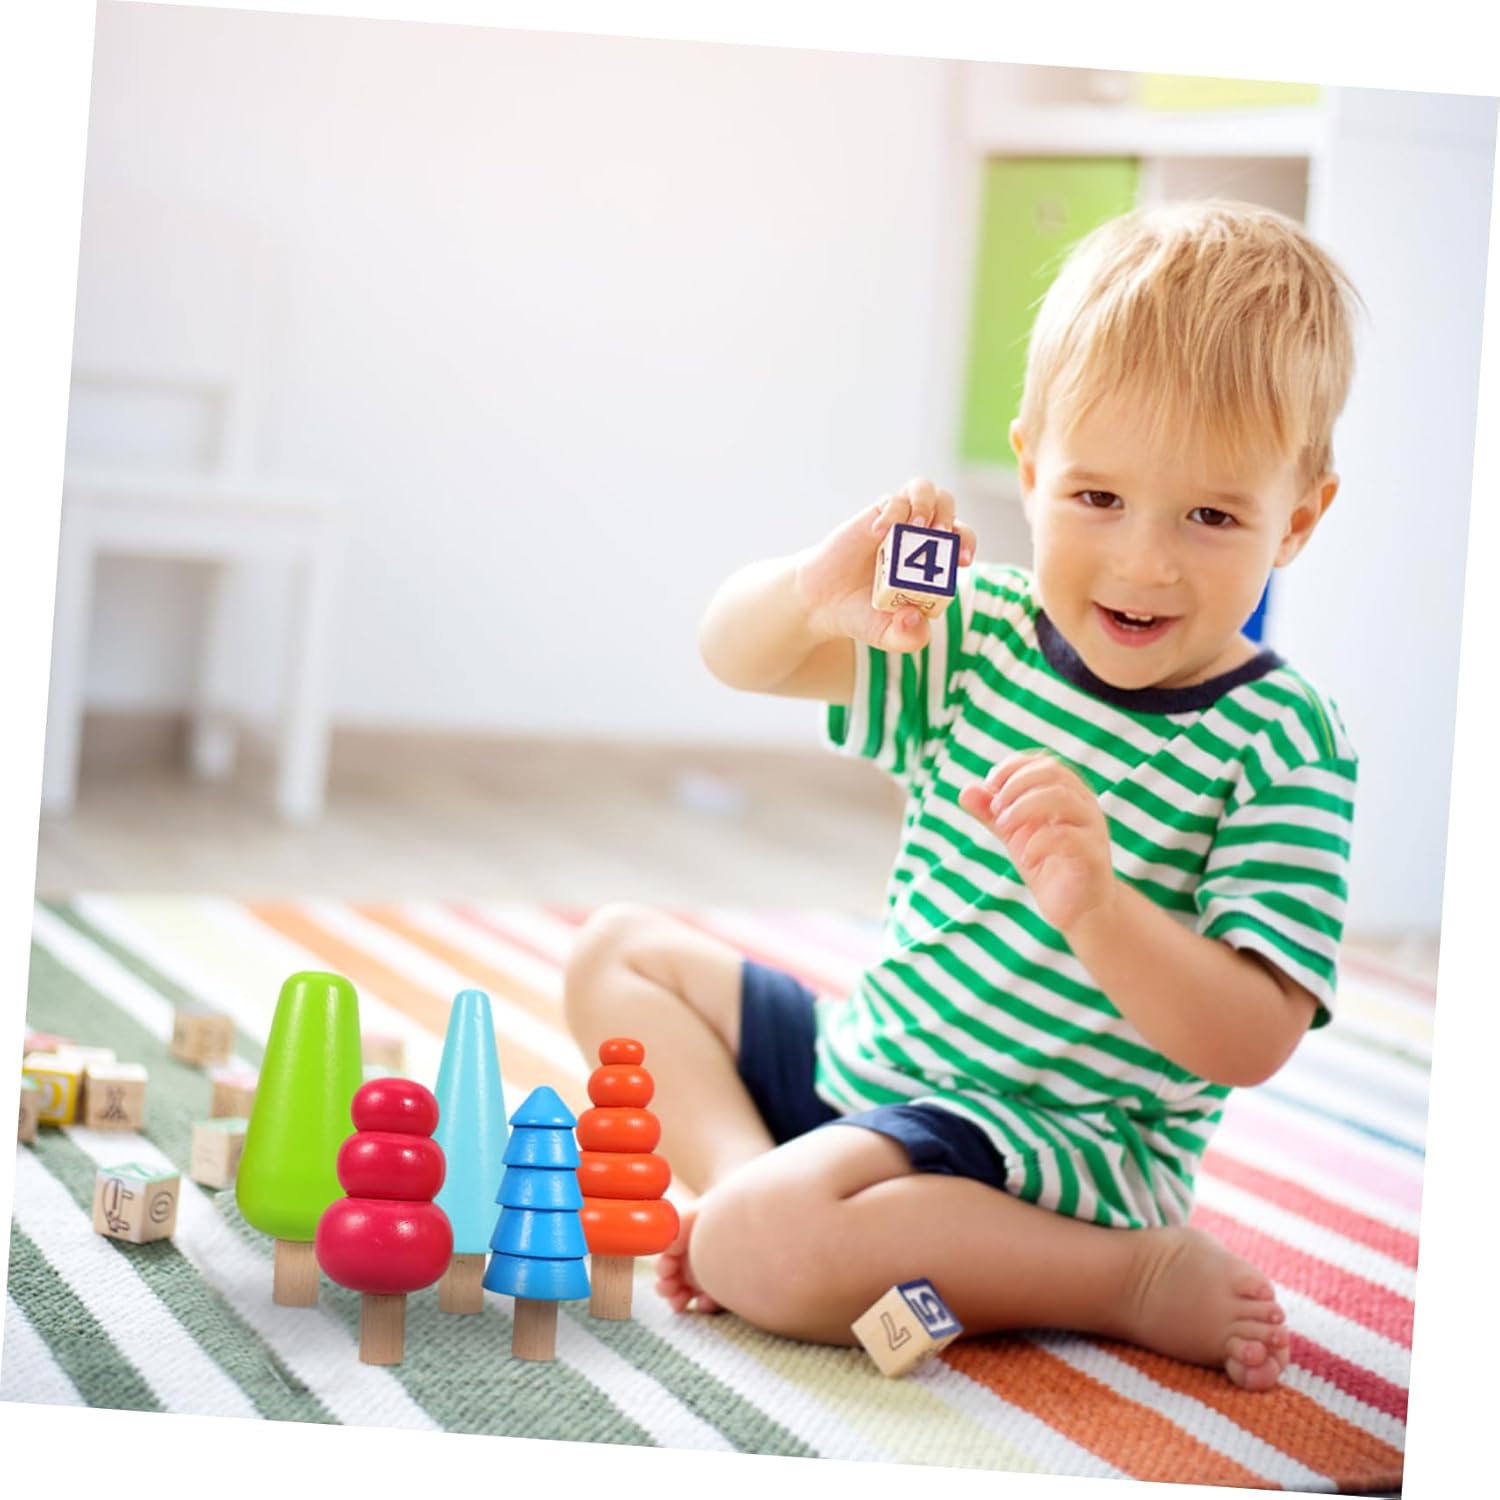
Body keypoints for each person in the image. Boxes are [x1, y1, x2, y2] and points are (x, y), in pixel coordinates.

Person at [563, 198, 1364, 1391]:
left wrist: (1099, 906)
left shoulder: (1283, 739)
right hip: (869, 1072)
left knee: (775, 1242)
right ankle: (744, 1197)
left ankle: (1123, 1279)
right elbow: (736, 655)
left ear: (1296, 520)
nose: (1144, 561)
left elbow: (1252, 1039)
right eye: (1098, 499)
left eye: (1211, 516)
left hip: (1052, 1154)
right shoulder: (981, 632)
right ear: (1031, 472)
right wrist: (811, 593)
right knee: (614, 954)